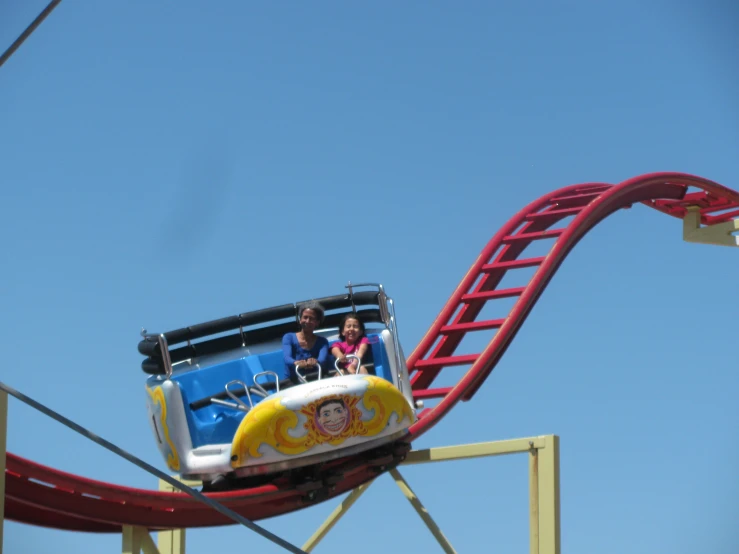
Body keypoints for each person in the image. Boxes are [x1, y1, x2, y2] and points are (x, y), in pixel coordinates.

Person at [282, 302, 329, 382]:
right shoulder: (288, 337)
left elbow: (322, 359)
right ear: (300, 320)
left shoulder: (322, 342)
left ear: (317, 322)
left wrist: (315, 362)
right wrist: (296, 363)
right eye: (305, 317)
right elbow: (287, 358)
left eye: (311, 318)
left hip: (316, 380)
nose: (307, 321)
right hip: (293, 381)